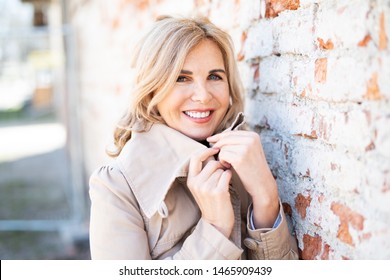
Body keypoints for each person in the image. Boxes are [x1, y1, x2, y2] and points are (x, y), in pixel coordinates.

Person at [89, 15, 299, 260]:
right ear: (152, 89)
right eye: (181, 78)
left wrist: (266, 199)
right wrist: (215, 228)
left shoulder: (243, 164)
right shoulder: (116, 188)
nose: (203, 96)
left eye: (214, 76)